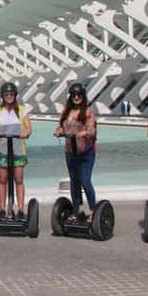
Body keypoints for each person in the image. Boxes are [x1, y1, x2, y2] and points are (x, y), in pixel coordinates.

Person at [53, 82, 97, 223]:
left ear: (83, 96)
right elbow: (62, 126)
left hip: (86, 152)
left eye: (79, 95)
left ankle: (93, 210)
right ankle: (76, 211)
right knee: (74, 181)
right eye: (74, 95)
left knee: (85, 181)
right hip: (70, 151)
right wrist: (59, 131)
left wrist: (84, 133)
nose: (76, 97)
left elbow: (92, 130)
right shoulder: (66, 111)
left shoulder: (88, 112)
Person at [0, 82, 32, 217]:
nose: (9, 96)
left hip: (18, 151)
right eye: (7, 94)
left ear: (15, 95)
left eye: (11, 94)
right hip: (3, 150)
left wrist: (25, 133)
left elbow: (28, 128)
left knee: (18, 180)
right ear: (3, 96)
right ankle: (2, 209)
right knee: (3, 180)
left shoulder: (22, 110)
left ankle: (20, 209)